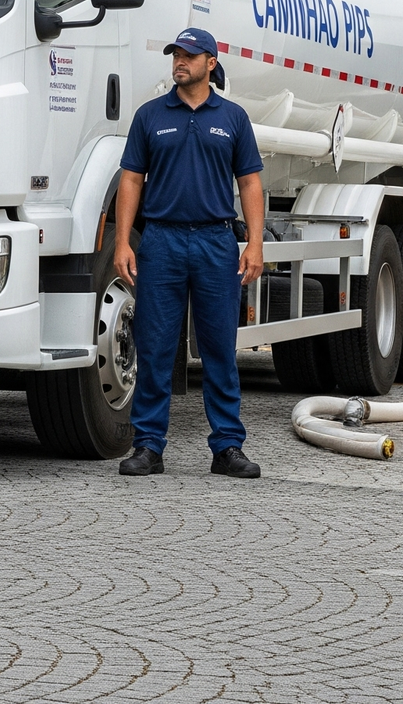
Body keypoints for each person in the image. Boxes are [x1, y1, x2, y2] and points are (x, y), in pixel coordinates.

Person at [113, 28, 264, 478]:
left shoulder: (233, 118)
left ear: (210, 63)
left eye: (190, 55)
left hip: (216, 242)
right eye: (176, 54)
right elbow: (131, 179)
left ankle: (227, 447)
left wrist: (255, 243)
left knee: (219, 348)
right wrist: (122, 241)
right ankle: (148, 446)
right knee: (155, 346)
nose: (180, 61)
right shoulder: (150, 116)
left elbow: (249, 182)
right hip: (162, 241)